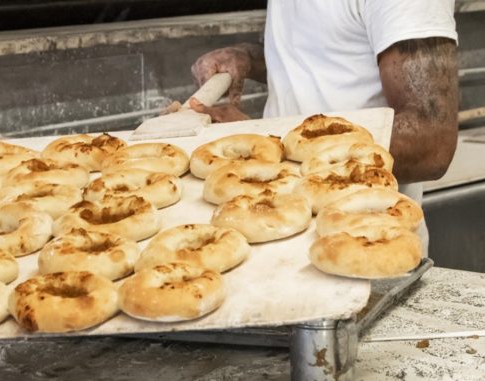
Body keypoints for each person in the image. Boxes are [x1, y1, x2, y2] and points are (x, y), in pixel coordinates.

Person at [189, 1, 459, 256]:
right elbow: (323, 56)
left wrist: (266, 148)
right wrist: (247, 56)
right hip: (280, 229)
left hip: (365, 247)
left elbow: (431, 144)